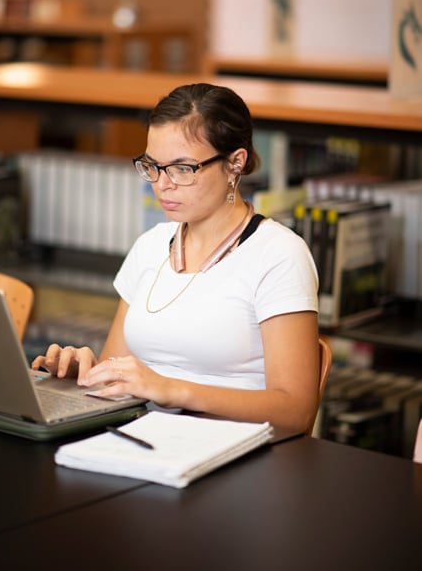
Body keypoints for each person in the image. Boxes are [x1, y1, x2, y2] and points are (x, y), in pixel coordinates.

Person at [32, 82, 320, 431]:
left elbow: (296, 409)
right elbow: (117, 373)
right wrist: (86, 372)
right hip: (147, 436)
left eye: (182, 168)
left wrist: (172, 390)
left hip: (234, 451)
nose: (162, 184)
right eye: (153, 165)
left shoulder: (278, 254)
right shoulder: (151, 245)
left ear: (235, 163)